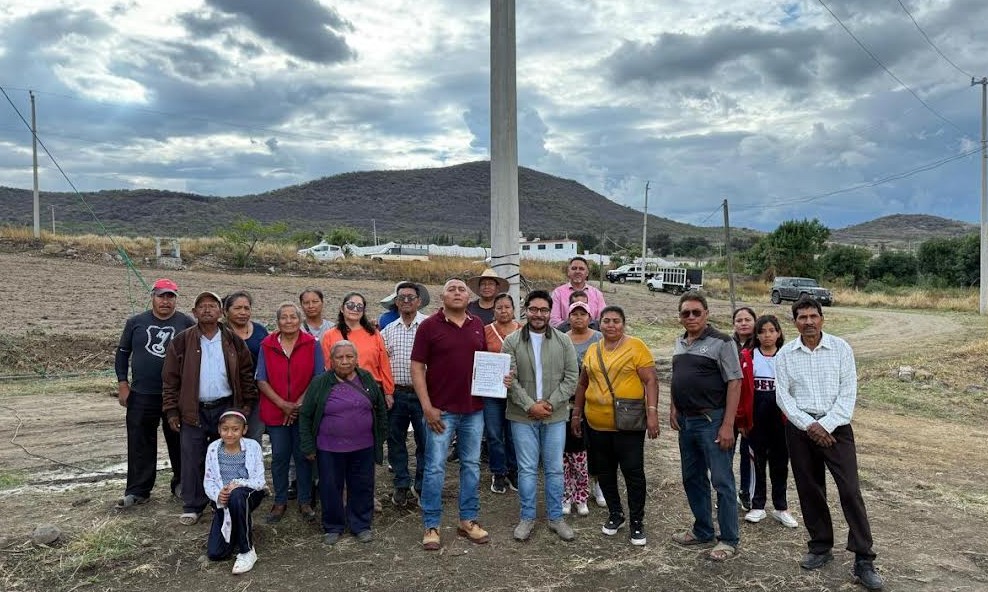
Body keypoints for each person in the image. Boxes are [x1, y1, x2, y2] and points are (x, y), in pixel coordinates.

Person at [775, 298, 883, 590]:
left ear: (822, 318)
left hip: (837, 429)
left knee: (850, 490)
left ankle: (864, 559)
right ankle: (820, 546)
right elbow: (783, 397)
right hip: (801, 429)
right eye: (802, 317)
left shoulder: (841, 348)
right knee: (810, 489)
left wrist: (826, 424)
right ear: (794, 322)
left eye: (813, 316)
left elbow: (848, 393)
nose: (808, 321)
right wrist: (810, 425)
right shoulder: (785, 354)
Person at [162, 290, 259, 526]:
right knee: (192, 456)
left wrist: (245, 405)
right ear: (194, 312)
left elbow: (246, 372)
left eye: (212, 305)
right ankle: (193, 505)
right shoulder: (182, 340)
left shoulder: (232, 340)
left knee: (224, 458)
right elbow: (170, 379)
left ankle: (222, 502)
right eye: (201, 306)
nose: (207, 309)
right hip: (193, 409)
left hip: (226, 407)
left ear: (221, 312)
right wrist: (172, 410)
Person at [412, 279, 490, 550]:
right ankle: (431, 524)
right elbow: (417, 367)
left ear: (469, 296)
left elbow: (485, 365)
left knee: (471, 466)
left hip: (474, 410)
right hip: (441, 411)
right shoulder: (429, 326)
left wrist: (500, 378)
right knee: (434, 468)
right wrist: (427, 406)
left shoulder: (477, 324)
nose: (457, 293)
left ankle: (468, 519)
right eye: (451, 289)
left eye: (461, 289)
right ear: (441, 296)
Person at [571, 305, 659, 546]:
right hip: (596, 424)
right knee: (605, 472)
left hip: (627, 425)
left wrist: (652, 413)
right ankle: (615, 514)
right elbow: (582, 384)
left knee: (633, 473)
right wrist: (577, 414)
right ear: (599, 323)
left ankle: (637, 522)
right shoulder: (592, 349)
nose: (611, 325)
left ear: (624, 324)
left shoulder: (636, 346)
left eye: (616, 321)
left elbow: (650, 380)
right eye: (606, 320)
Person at [669, 292, 742, 561]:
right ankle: (702, 530)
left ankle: (729, 539)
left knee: (722, 481)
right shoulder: (679, 342)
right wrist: (673, 407)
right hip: (687, 422)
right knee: (692, 478)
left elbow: (735, 382)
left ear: (706, 314)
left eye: (696, 312)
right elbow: (679, 378)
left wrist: (728, 425)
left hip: (712, 422)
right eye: (685, 313)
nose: (690, 317)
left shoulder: (722, 342)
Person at [503, 290, 579, 541]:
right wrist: (529, 406)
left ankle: (556, 518)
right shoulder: (511, 341)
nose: (538, 314)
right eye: (533, 309)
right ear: (525, 310)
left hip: (555, 415)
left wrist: (549, 403)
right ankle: (527, 518)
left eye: (543, 310)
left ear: (550, 312)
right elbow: (510, 381)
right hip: (522, 416)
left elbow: (571, 377)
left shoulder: (563, 340)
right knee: (526, 469)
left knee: (555, 468)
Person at [115, 278, 194, 508]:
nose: (166, 301)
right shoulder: (135, 322)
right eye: (161, 296)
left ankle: (181, 484)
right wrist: (122, 384)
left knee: (180, 440)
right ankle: (138, 490)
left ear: (176, 299)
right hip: (141, 393)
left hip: (175, 395)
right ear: (153, 297)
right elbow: (122, 354)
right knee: (140, 442)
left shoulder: (186, 323)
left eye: (170, 296)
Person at [300, 340, 388, 545]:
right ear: (331, 361)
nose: (345, 361)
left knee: (363, 485)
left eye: (349, 357)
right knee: (330, 487)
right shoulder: (320, 383)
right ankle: (333, 526)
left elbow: (381, 409)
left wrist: (380, 437)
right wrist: (308, 446)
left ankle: (361, 525)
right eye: (339, 357)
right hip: (329, 448)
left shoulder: (366, 378)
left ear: (356, 359)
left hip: (363, 446)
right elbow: (305, 416)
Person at [256, 302, 325, 524]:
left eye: (293, 317)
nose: (288, 321)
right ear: (278, 322)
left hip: (304, 411)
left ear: (299, 319)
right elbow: (261, 379)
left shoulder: (312, 344)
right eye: (283, 317)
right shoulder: (267, 344)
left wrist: (297, 405)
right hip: (276, 412)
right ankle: (280, 501)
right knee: (279, 457)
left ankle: (305, 501)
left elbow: (318, 377)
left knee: (304, 456)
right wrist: (283, 404)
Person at [742, 315, 797, 528]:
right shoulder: (749, 357)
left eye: (771, 331)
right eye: (762, 331)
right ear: (756, 335)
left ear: (779, 333)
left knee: (781, 462)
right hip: (757, 416)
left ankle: (781, 507)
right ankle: (757, 505)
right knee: (757, 460)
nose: (767, 335)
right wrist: (742, 420)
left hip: (781, 417)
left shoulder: (786, 356)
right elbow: (742, 391)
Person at [380, 281, 430, 507]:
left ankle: (421, 485)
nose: (406, 301)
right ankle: (401, 483)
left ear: (419, 301)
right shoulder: (387, 331)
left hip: (424, 395)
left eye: (411, 297)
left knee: (425, 441)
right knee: (395, 440)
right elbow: (381, 364)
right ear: (396, 302)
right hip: (396, 394)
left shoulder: (429, 326)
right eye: (402, 298)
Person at [203, 410, 266, 575]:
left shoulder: (252, 447)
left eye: (235, 429)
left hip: (248, 494)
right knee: (216, 554)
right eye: (225, 429)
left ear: (244, 430)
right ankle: (239, 525)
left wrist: (236, 485)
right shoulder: (213, 449)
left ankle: (247, 551)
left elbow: (260, 482)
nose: (229, 433)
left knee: (238, 496)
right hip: (223, 499)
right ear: (219, 430)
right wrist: (218, 494)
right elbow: (208, 480)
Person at [561, 300, 602, 516]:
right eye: (574, 314)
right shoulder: (562, 339)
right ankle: (568, 493)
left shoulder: (598, 338)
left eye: (583, 314)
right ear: (568, 318)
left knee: (595, 446)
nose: (578, 317)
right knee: (571, 449)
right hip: (568, 402)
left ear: (590, 317)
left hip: (595, 399)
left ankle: (596, 485)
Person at [321, 292, 395, 402]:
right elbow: (327, 367)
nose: (355, 309)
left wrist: (388, 392)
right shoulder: (329, 335)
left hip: (372, 391)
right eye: (350, 305)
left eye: (359, 307)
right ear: (342, 308)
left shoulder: (374, 334)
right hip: (340, 391)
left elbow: (384, 364)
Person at [482, 292, 520, 493]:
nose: (503, 311)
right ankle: (498, 472)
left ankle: (514, 471)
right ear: (493, 310)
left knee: (514, 434)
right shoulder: (485, 331)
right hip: (491, 392)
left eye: (507, 307)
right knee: (494, 434)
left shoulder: (523, 331)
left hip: (516, 392)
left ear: (513, 310)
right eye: (499, 307)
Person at [224, 291, 269, 445]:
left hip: (256, 394)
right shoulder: (220, 332)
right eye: (237, 308)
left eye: (246, 308)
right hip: (228, 394)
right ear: (226, 310)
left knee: (253, 438)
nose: (243, 312)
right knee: (229, 437)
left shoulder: (260, 331)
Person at [732, 306, 757, 512]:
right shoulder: (727, 345)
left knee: (748, 453)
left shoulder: (760, 346)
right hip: (729, 408)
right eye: (739, 320)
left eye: (747, 319)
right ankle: (726, 493)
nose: (743, 323)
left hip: (750, 409)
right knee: (725, 453)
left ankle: (746, 493)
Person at [550, 256, 606, 328]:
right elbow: (554, 320)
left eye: (581, 269)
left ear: (587, 273)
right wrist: (574, 331)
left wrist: (587, 332)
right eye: (574, 268)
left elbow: (602, 319)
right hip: (565, 336)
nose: (577, 271)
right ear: (568, 272)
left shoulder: (597, 294)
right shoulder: (558, 293)